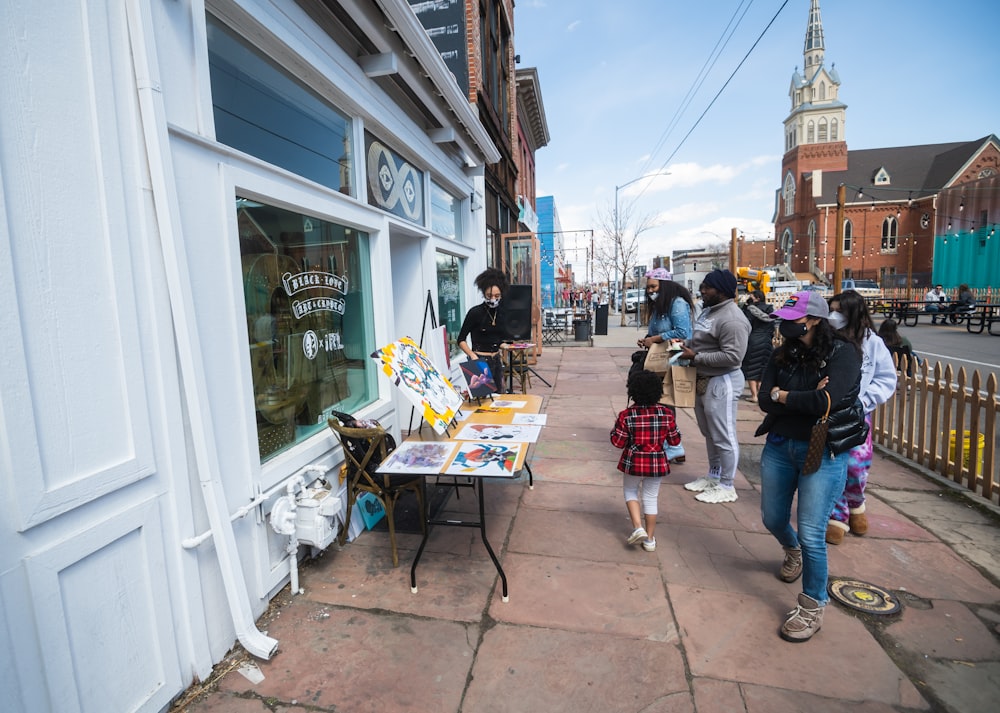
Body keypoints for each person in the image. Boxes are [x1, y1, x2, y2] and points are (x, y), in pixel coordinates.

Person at [756, 291, 867, 642]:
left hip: (822, 451)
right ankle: (792, 551)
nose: (785, 325)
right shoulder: (782, 353)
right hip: (779, 445)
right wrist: (789, 398)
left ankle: (812, 605)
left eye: (793, 320)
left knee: (812, 532)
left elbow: (827, 402)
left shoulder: (843, 353)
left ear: (814, 320)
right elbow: (763, 398)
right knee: (772, 517)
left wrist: (783, 395)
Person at [826, 291, 897, 545]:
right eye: (831, 309)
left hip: (857, 415)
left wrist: (863, 401)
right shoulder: (827, 339)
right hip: (829, 413)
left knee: (856, 466)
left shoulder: (873, 343)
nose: (833, 316)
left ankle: (857, 504)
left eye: (839, 311)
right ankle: (837, 516)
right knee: (834, 466)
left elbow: (886, 378)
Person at [677, 269, 750, 504]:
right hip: (703, 378)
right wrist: (684, 345)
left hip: (723, 380)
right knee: (709, 432)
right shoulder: (709, 311)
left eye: (707, 287)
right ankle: (714, 475)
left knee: (724, 434)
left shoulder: (733, 319)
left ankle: (728, 485)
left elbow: (733, 357)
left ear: (721, 290)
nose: (702, 291)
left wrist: (695, 356)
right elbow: (701, 340)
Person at [610, 369, 681, 553]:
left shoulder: (627, 415)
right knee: (651, 497)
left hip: (633, 461)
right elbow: (675, 441)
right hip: (657, 461)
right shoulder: (666, 414)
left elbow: (618, 442)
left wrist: (615, 430)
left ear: (632, 391)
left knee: (630, 491)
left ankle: (637, 527)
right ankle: (649, 540)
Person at [634, 268, 696, 463]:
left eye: (654, 286)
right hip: (660, 361)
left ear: (665, 285)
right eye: (648, 288)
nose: (650, 291)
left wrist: (656, 338)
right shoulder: (660, 307)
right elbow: (656, 332)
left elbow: (682, 331)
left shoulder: (676, 303)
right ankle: (672, 444)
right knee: (662, 404)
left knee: (665, 404)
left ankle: (674, 445)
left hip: (673, 360)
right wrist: (647, 340)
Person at [457, 268, 512, 393]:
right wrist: (472, 355)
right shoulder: (475, 312)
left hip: (497, 361)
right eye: (489, 296)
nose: (493, 299)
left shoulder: (501, 312)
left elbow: (497, 339)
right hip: (479, 360)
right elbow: (461, 339)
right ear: (483, 293)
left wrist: (505, 346)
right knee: (483, 400)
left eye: (497, 296)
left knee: (500, 399)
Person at [740, 289, 776, 402]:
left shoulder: (750, 309)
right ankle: (761, 393)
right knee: (763, 366)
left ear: (757, 298)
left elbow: (745, 324)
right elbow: (773, 327)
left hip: (754, 340)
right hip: (767, 341)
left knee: (751, 367)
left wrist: (746, 306)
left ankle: (754, 395)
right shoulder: (770, 309)